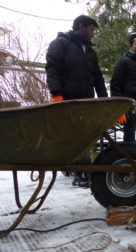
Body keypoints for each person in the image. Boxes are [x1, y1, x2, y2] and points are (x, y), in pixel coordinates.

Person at [45, 15, 108, 187]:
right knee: (73, 136)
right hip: (68, 100)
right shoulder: (61, 44)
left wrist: (106, 101)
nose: (93, 34)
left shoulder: (90, 51)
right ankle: (78, 172)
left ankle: (80, 170)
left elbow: (98, 77)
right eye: (91, 29)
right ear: (80, 26)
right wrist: (56, 93)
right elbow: (52, 68)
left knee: (84, 136)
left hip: (86, 100)